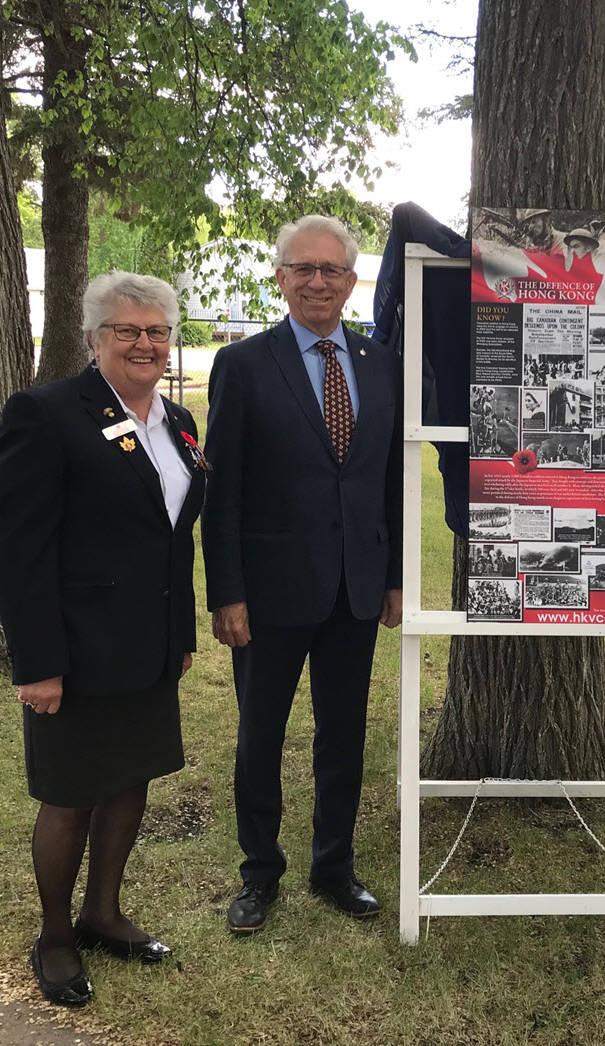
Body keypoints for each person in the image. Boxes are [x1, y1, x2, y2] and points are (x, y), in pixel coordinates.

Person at [0, 273, 205, 1006]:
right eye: (127, 330)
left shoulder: (178, 421)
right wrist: (38, 663)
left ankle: (103, 913)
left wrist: (180, 634)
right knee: (70, 796)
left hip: (149, 646)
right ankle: (55, 937)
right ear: (93, 338)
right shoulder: (46, 413)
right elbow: (18, 550)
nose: (145, 344)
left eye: (157, 331)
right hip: (76, 650)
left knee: (129, 780)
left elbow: (173, 539)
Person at [202, 214, 402, 933]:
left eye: (332, 270)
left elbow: (388, 481)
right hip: (270, 591)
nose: (318, 281)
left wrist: (394, 577)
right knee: (260, 736)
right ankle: (259, 872)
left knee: (342, 736)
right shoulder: (244, 364)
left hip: (355, 585)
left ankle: (334, 867)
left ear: (352, 281)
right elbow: (221, 491)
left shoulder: (380, 362)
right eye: (304, 269)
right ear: (281, 278)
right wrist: (226, 592)